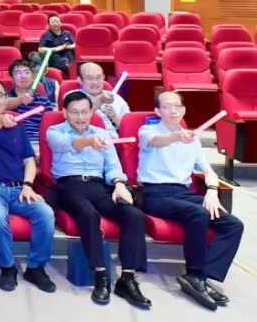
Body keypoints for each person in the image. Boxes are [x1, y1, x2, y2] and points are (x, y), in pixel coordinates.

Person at [137, 91, 244, 311]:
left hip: (185, 193)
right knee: (198, 213)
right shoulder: (148, 130)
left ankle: (202, 276)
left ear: (184, 109)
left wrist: (212, 191)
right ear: (157, 111)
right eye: (167, 106)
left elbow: (208, 171)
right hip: (155, 194)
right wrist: (177, 136)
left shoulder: (192, 140)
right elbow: (156, 142)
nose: (173, 110)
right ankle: (195, 274)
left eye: (177, 105)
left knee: (234, 225)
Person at [46, 91, 150, 306]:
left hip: (98, 185)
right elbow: (66, 144)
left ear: (91, 112)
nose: (80, 117)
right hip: (69, 186)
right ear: (65, 113)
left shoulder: (102, 133)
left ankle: (127, 279)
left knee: (134, 215)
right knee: (88, 214)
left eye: (85, 112)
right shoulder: (54, 131)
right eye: (74, 112)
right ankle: (101, 276)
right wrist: (89, 141)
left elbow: (113, 167)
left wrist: (119, 184)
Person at [0, 80, 56, 293]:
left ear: (6, 98)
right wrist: (0, 119)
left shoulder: (18, 126)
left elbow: (29, 162)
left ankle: (35, 267)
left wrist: (28, 185)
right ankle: (7, 267)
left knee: (46, 214)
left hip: (19, 190)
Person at [5, 59, 57, 152]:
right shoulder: (4, 99)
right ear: (11, 79)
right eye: (18, 73)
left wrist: (43, 151)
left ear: (32, 75)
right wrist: (20, 99)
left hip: (39, 143)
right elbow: (4, 104)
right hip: (15, 142)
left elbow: (50, 127)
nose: (23, 76)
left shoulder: (44, 101)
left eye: (27, 72)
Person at [71, 62, 129, 138]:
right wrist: (101, 99)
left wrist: (115, 117)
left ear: (103, 78)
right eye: (89, 78)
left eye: (98, 77)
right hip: (87, 141)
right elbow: (79, 114)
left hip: (114, 141)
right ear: (79, 80)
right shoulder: (72, 96)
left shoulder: (117, 99)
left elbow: (129, 128)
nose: (95, 82)